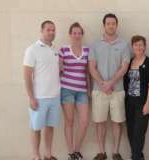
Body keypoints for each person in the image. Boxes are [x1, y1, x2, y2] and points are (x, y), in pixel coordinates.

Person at [88, 13, 130, 160]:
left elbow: (124, 67)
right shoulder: (94, 44)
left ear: (116, 25)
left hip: (117, 91)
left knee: (117, 122)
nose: (111, 26)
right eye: (108, 23)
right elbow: (92, 67)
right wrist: (102, 84)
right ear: (104, 25)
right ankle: (101, 152)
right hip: (99, 91)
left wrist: (110, 83)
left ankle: (116, 152)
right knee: (100, 122)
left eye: (113, 23)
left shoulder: (124, 44)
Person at [23, 20, 60, 160]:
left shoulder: (55, 50)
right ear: (42, 31)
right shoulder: (32, 49)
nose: (51, 32)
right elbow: (26, 75)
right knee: (36, 127)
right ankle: (35, 155)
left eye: (53, 30)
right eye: (48, 30)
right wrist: (31, 97)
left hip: (55, 97)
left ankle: (48, 155)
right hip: (39, 98)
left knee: (50, 127)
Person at [59, 22, 91, 160]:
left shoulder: (87, 51)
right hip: (66, 89)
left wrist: (89, 89)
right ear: (70, 34)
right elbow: (58, 68)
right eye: (74, 33)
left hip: (82, 91)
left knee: (84, 122)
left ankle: (77, 149)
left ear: (82, 34)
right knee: (69, 121)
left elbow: (87, 72)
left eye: (79, 33)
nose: (77, 35)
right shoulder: (63, 50)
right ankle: (71, 152)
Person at [124, 35, 149, 160]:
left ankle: (136, 157)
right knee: (130, 131)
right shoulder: (130, 61)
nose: (138, 47)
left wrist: (148, 103)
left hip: (143, 102)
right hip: (130, 102)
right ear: (132, 47)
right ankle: (138, 156)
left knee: (139, 132)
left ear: (145, 46)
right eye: (136, 45)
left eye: (141, 44)